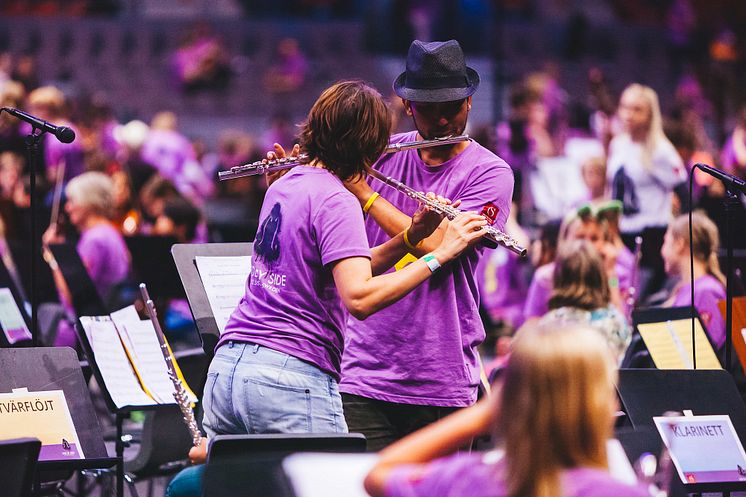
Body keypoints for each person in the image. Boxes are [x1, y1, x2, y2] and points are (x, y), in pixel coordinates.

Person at [203, 80, 486, 439]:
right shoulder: (338, 200)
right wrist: (439, 255)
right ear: (370, 145)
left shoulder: (282, 185)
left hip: (228, 371)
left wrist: (411, 238)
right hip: (288, 377)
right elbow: (359, 298)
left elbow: (349, 265)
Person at [340, 40, 514, 451]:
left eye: (451, 108)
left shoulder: (491, 173)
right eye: (428, 109)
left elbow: (443, 246)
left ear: (470, 102)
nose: (440, 120)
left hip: (439, 374)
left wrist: (368, 196)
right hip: (364, 369)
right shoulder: (378, 156)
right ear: (406, 105)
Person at [364, 320, 650, 497]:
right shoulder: (620, 493)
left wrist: (484, 413)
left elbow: (377, 475)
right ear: (599, 408)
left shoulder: (466, 480)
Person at [41, 171, 131, 345]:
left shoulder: (95, 240)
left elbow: (71, 295)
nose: (67, 207)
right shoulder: (109, 232)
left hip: (88, 332)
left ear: (89, 203)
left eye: (72, 201)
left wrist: (53, 257)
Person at [607, 83, 686, 240]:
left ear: (650, 114)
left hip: (652, 233)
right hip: (621, 231)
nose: (629, 115)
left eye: (637, 110)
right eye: (625, 107)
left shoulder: (660, 150)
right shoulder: (617, 144)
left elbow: (684, 192)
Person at [541, 239, 631, 363]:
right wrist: (611, 273)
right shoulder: (615, 320)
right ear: (599, 276)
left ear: (559, 277)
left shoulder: (549, 325)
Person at [661, 212, 726, 349]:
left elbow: (708, 350)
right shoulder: (684, 289)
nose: (662, 251)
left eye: (665, 242)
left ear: (679, 244)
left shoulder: (707, 290)